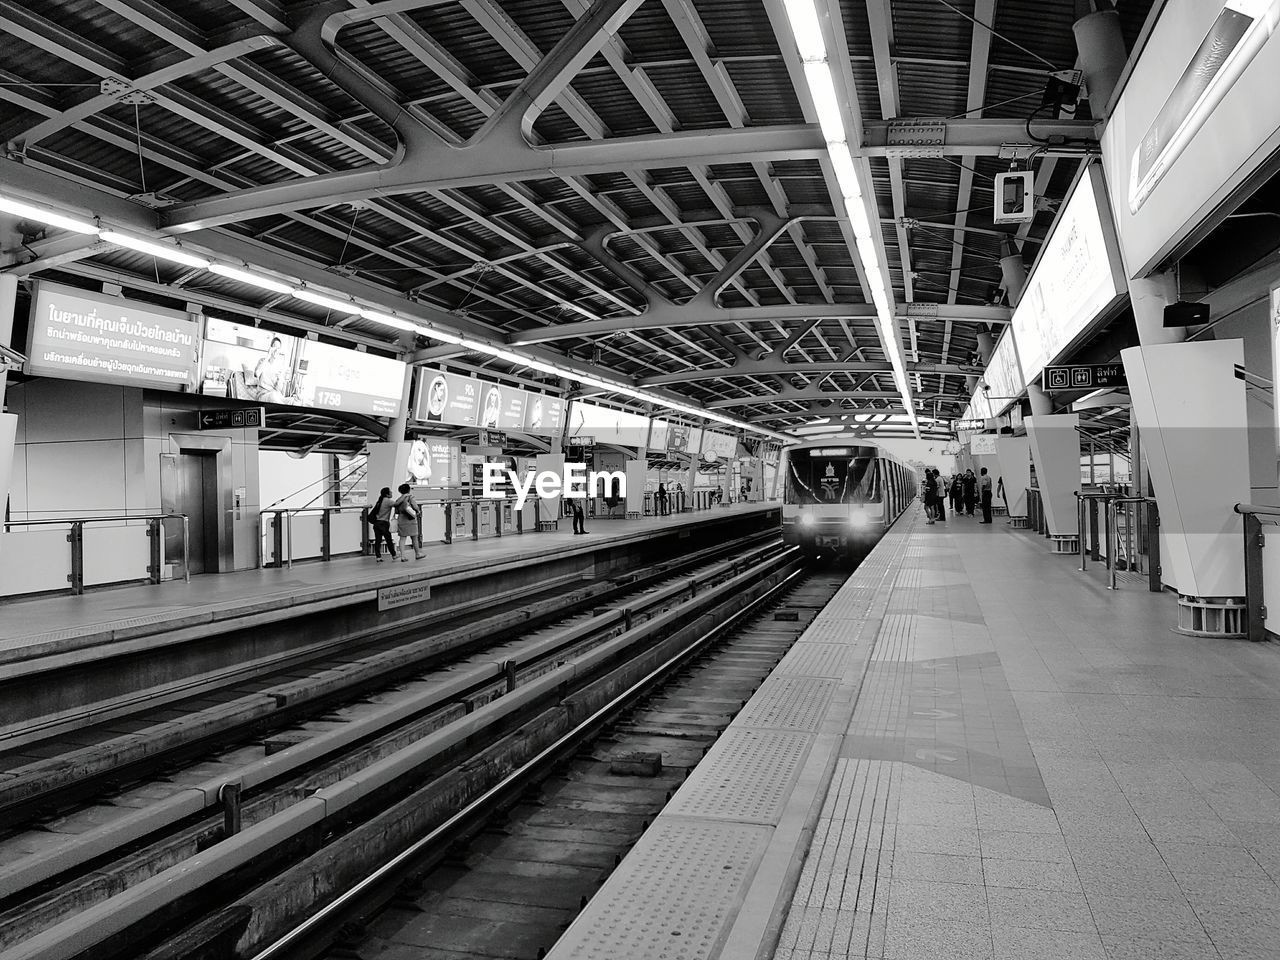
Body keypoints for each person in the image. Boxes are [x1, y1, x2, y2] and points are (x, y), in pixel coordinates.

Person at [393, 482, 424, 560]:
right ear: (409, 490)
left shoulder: (398, 500)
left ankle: (403, 556)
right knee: (414, 537)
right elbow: (415, 506)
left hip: (401, 520)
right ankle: (417, 553)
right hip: (410, 520)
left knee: (402, 538)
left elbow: (396, 511)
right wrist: (418, 511)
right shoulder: (410, 497)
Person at [368, 486, 396, 561]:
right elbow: (397, 504)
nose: (391, 493)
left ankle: (378, 557)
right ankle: (394, 555)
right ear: (387, 494)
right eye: (390, 492)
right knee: (388, 540)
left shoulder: (380, 501)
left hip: (377, 523)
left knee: (378, 540)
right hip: (384, 523)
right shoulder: (388, 501)